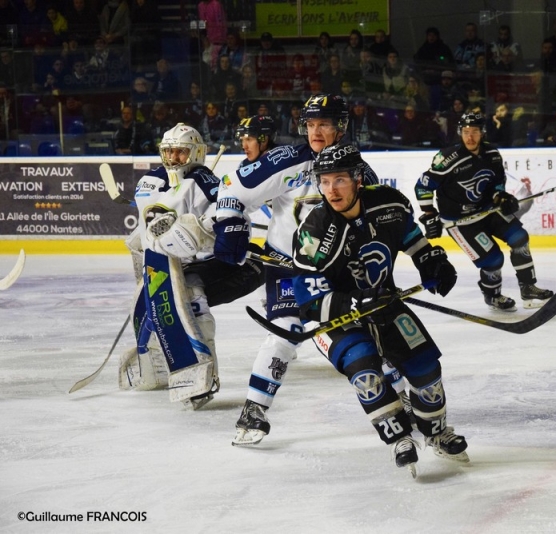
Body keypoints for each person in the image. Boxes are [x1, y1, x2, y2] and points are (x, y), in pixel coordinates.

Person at [212, 95, 390, 446]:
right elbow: (232, 188)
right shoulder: (288, 160)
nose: (316, 131)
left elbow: (371, 225)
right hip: (288, 267)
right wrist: (230, 224)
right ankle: (254, 408)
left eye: (324, 124)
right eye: (310, 124)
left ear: (341, 127)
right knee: (285, 330)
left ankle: (401, 399)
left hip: (336, 270)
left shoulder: (359, 171)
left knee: (371, 332)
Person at [292, 143, 466, 475]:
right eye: (325, 181)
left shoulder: (389, 204)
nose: (331, 190)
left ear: (358, 180)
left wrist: (431, 262)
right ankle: (398, 438)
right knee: (366, 373)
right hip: (334, 319)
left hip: (383, 302)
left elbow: (412, 239)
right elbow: (308, 299)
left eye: (340, 180)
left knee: (426, 369)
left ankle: (436, 432)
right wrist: (351, 301)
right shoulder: (314, 231)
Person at [119, 123, 266, 409]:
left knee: (193, 302)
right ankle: (155, 370)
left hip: (202, 265)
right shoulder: (149, 181)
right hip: (162, 266)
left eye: (181, 152)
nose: (174, 158)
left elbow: (231, 220)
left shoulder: (205, 181)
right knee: (149, 312)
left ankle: (203, 378)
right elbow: (147, 224)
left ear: (196, 153)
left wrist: (201, 229)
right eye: (169, 151)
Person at [415, 111, 554, 311]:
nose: (470, 137)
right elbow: (423, 186)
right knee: (493, 260)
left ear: (482, 133)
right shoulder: (447, 158)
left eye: (474, 132)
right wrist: (429, 215)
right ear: (460, 133)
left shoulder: (492, 154)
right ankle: (493, 296)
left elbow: (496, 183)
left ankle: (528, 287)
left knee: (519, 238)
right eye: (466, 132)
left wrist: (501, 197)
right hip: (460, 221)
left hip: (487, 210)